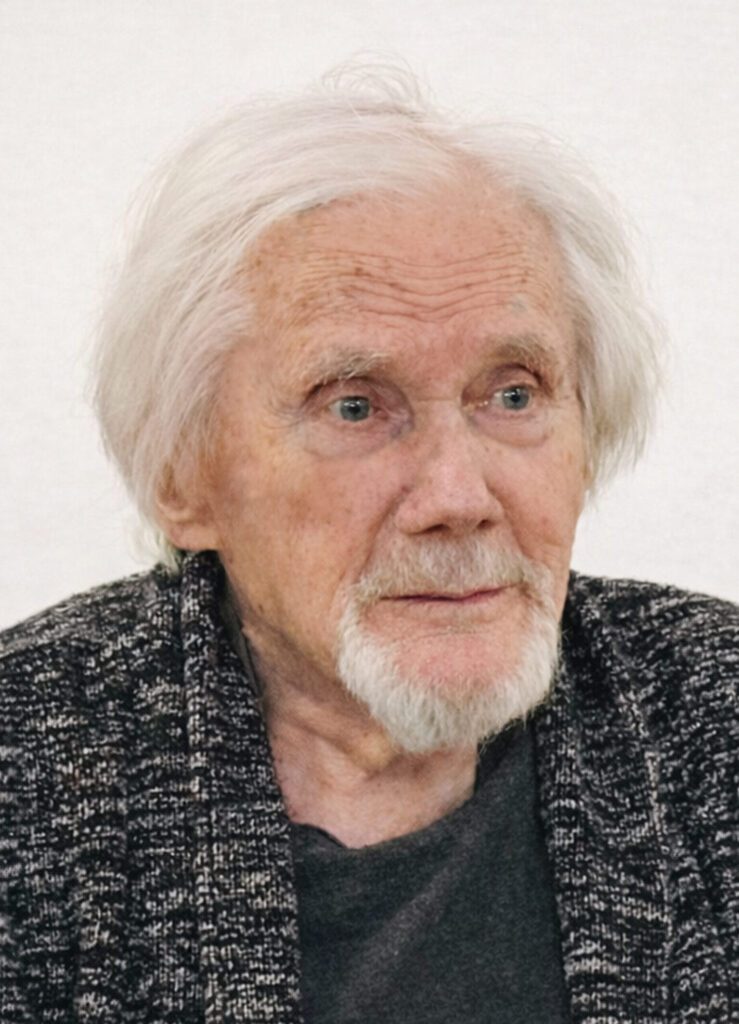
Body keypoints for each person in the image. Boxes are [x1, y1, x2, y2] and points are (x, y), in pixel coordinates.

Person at [1, 65, 736, 1024]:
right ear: (185, 480)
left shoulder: (711, 707)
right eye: (354, 406)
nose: (457, 498)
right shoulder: (28, 764)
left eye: (512, 395)